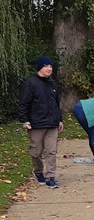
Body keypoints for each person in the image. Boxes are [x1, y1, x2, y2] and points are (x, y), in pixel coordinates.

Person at [18, 55, 64, 188]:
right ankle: (38, 172)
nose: (49, 69)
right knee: (36, 151)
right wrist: (25, 120)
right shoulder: (31, 83)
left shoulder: (53, 84)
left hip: (52, 124)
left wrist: (59, 120)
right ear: (40, 67)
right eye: (46, 66)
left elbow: (56, 104)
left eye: (50, 66)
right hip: (36, 123)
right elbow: (24, 103)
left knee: (52, 151)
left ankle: (50, 177)